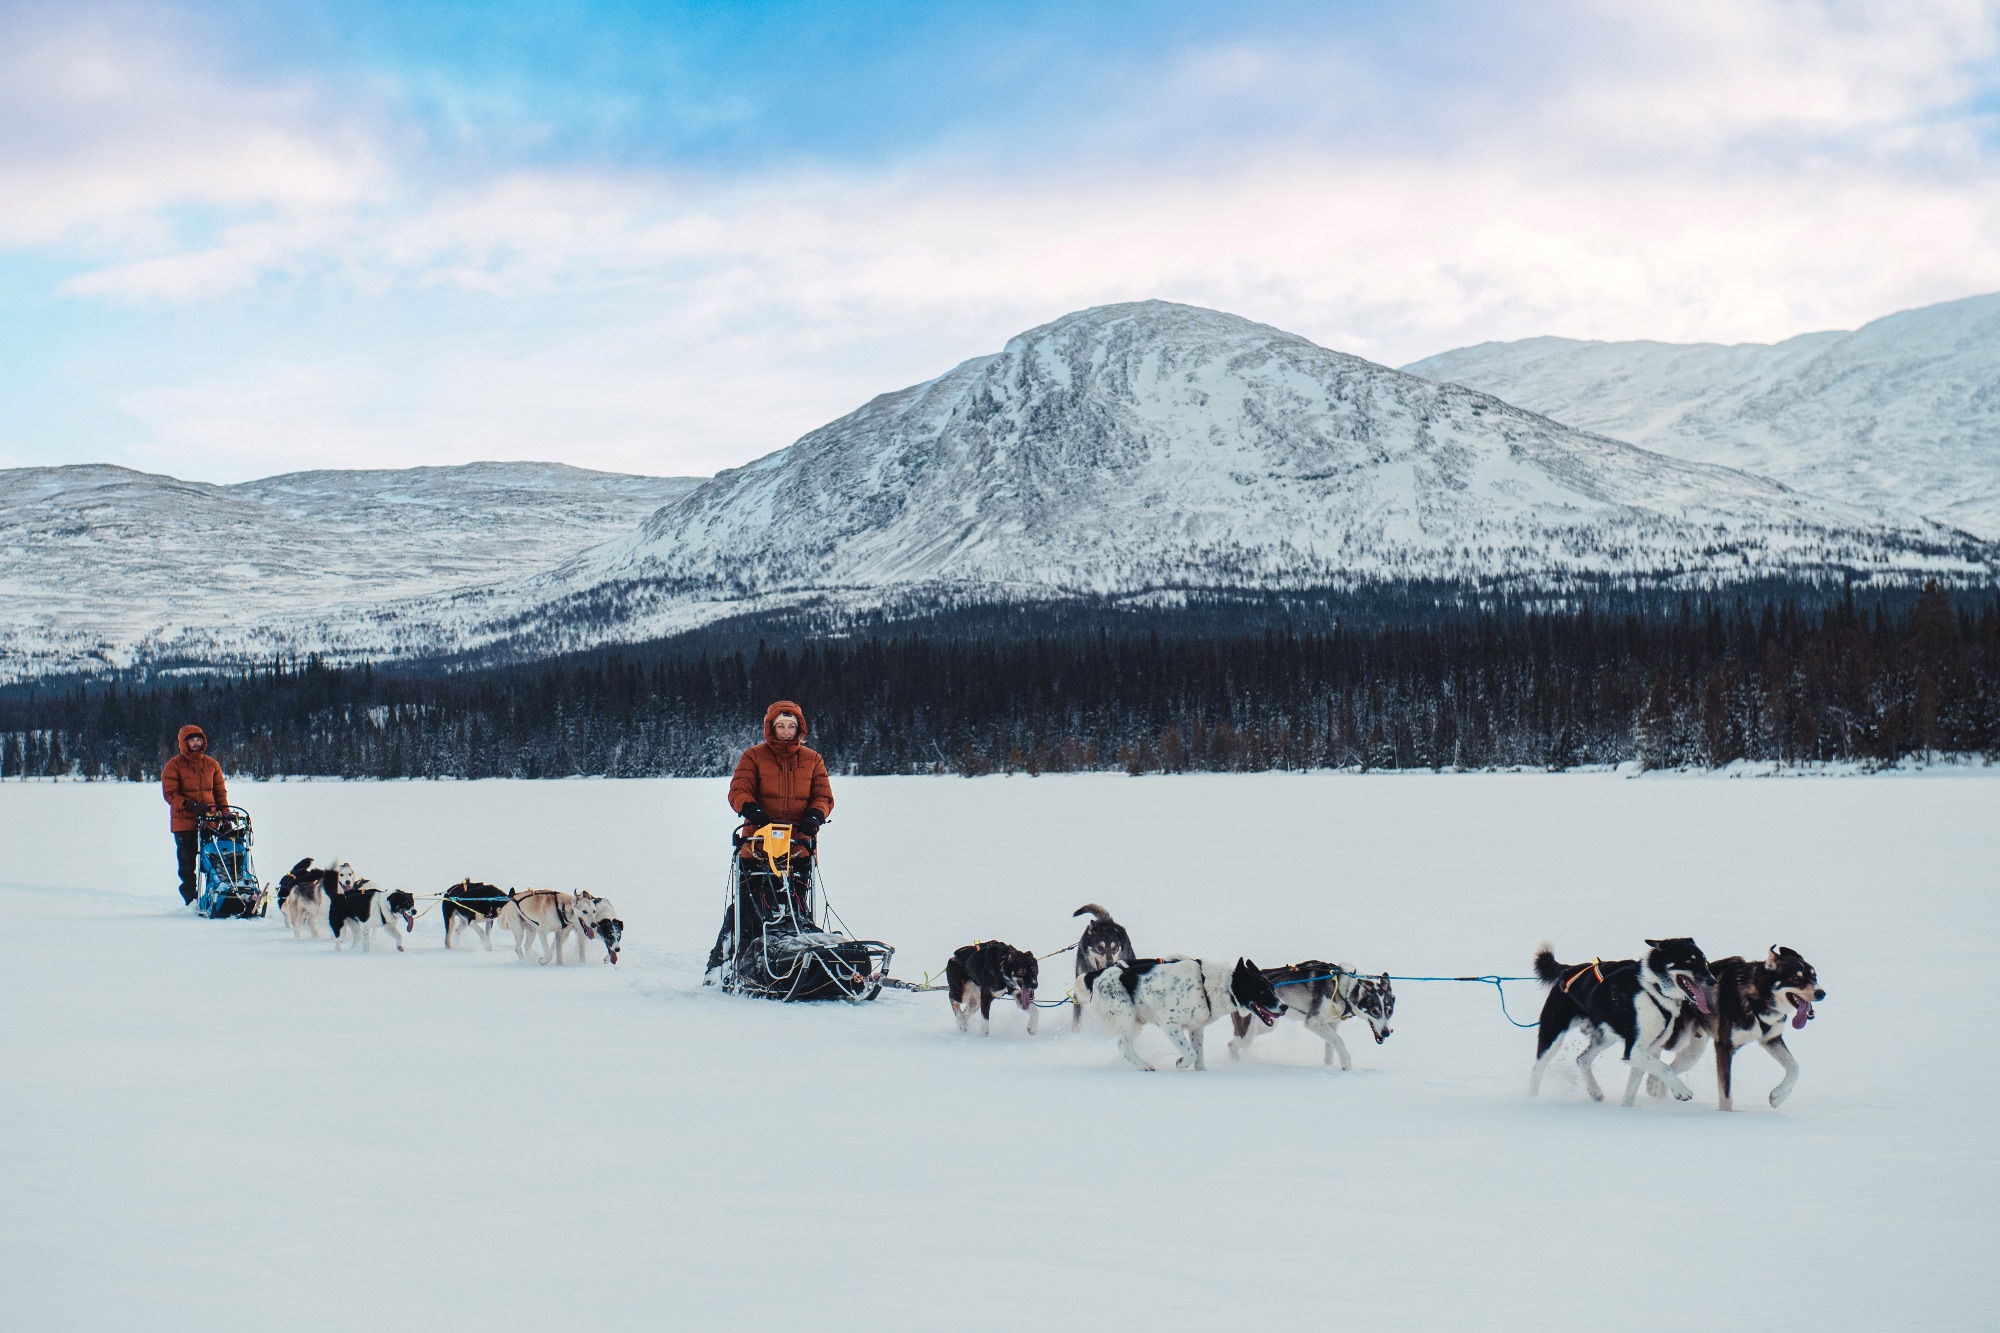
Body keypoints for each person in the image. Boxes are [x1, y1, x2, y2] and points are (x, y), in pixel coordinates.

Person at [706, 700, 835, 974]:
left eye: (791, 726)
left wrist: (815, 815)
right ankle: (726, 964)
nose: (786, 731)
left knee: (795, 907)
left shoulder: (813, 759)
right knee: (749, 908)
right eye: (781, 726)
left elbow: (824, 796)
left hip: (797, 846)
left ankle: (794, 964)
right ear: (771, 728)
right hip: (757, 845)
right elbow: (738, 790)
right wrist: (752, 810)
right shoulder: (753, 756)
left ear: (799, 728)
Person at [161, 723, 229, 905]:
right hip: (184, 822)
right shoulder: (174, 766)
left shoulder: (211, 764)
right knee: (187, 864)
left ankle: (218, 895)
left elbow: (220, 793)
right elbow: (170, 794)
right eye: (192, 740)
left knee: (216, 860)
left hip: (210, 821)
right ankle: (191, 900)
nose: (196, 743)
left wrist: (225, 814)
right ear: (185, 743)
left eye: (199, 739)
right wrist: (190, 805)